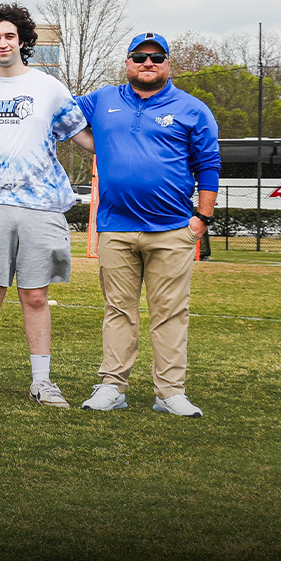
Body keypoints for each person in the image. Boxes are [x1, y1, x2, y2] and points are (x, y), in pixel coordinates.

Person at [0, 4, 95, 406]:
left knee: (35, 296)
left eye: (9, 36)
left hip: (42, 205)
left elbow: (82, 137)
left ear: (23, 41)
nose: (3, 43)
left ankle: (42, 382)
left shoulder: (48, 87)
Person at [76, 33, 220, 417]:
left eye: (156, 58)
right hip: (115, 228)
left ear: (168, 64)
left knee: (170, 313)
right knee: (118, 310)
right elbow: (60, 116)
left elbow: (208, 166)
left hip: (172, 229)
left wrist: (201, 220)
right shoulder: (102, 99)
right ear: (127, 63)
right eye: (139, 57)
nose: (148, 63)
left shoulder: (192, 108)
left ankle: (170, 393)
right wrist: (94, 143)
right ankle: (112, 387)